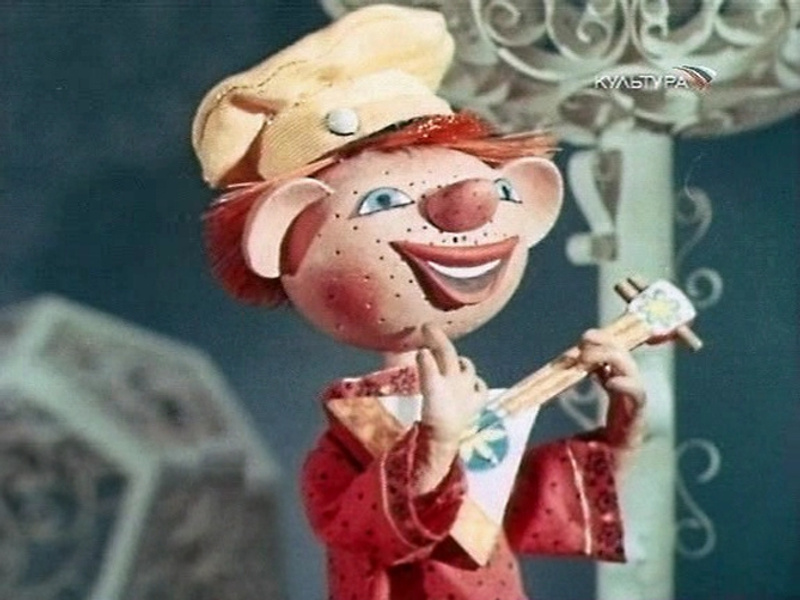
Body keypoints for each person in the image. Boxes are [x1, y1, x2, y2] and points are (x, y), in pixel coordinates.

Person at [192, 6, 645, 599]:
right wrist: (435, 442)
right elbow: (366, 530)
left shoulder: (477, 405)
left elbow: (527, 505)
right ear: (284, 232)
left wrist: (623, 425)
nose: (472, 207)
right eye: (383, 201)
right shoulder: (343, 448)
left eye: (497, 189)